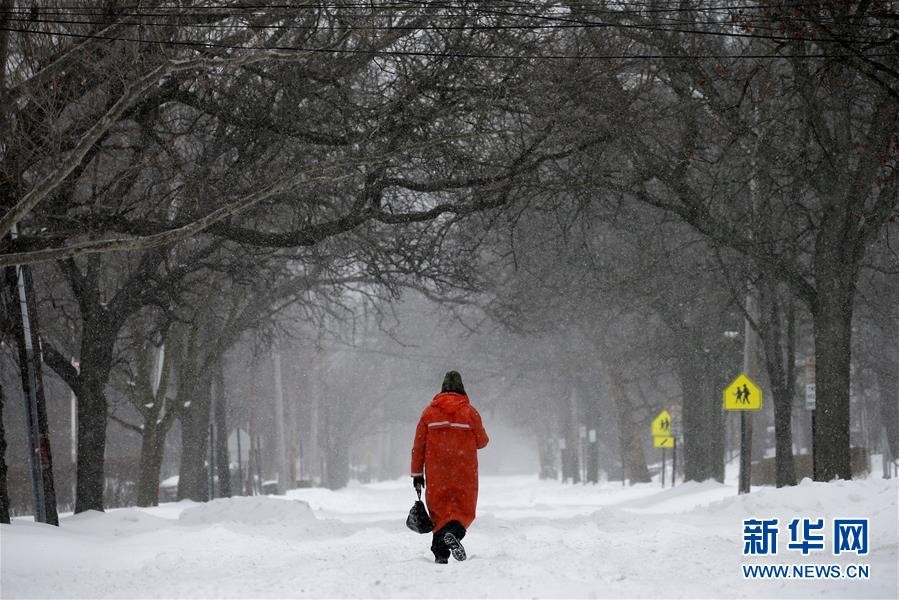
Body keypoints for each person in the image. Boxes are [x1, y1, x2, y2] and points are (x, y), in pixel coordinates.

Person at [410, 370, 489, 564]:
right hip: (464, 470)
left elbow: (418, 446)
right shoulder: (470, 412)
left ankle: (440, 553)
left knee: (439, 511)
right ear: (462, 388)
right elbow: (482, 441)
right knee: (464, 510)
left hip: (437, 471)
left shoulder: (429, 413)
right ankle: (453, 533)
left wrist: (417, 474)